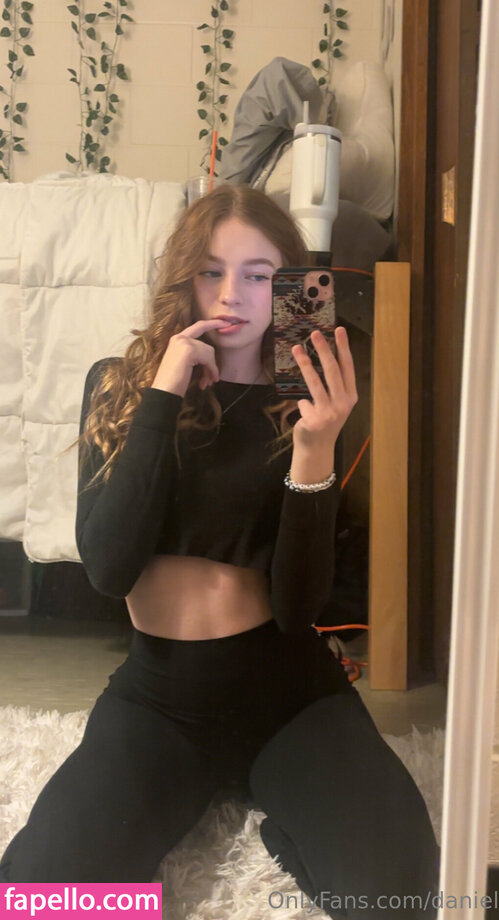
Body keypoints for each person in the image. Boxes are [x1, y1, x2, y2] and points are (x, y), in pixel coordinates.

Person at [0, 185, 439, 917]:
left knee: (400, 896)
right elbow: (109, 569)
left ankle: (288, 840)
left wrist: (314, 448)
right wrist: (163, 396)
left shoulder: (308, 403)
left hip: (289, 695)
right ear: (184, 278)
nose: (233, 293)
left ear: (289, 286)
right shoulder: (119, 386)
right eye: (211, 271)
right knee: (43, 895)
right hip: (161, 702)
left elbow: (299, 608)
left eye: (259, 275)